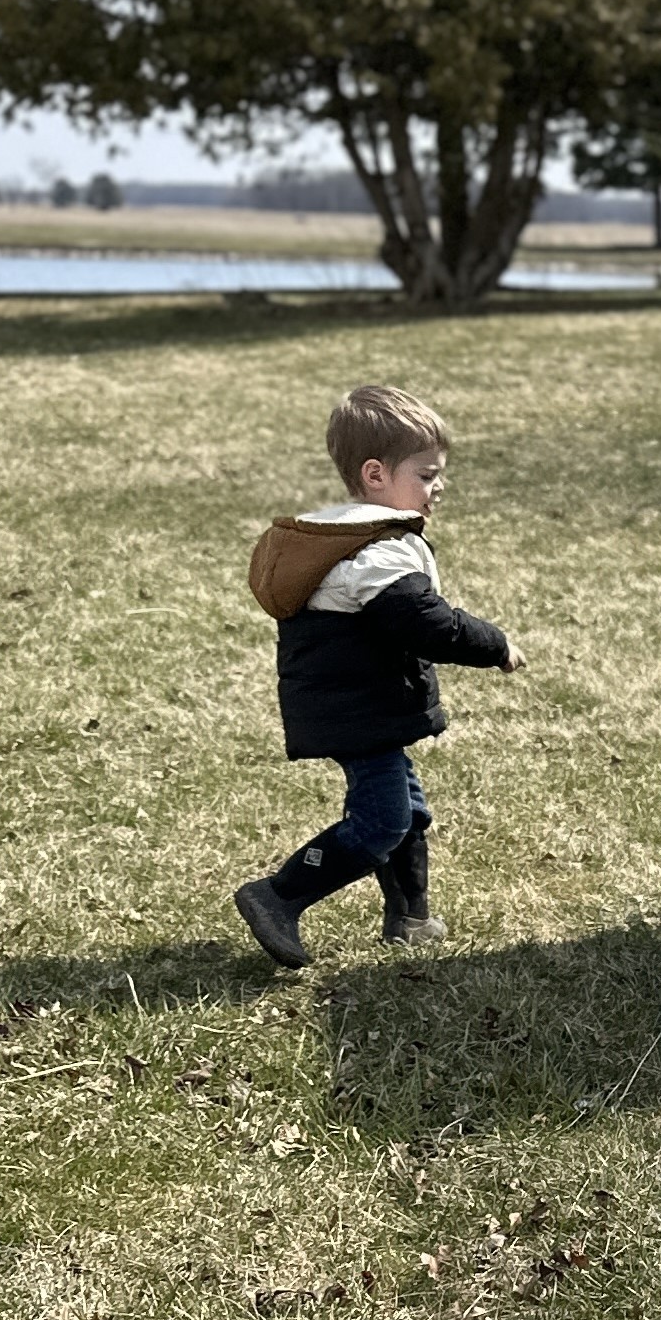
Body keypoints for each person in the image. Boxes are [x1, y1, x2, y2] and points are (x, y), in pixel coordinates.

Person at [233, 384, 524, 968]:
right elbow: (428, 624)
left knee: (408, 811)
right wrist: (497, 645)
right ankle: (279, 895)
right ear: (374, 474)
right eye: (426, 474)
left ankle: (410, 919)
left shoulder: (351, 540)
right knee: (383, 818)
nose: (437, 487)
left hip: (361, 706)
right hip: (357, 712)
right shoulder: (375, 553)